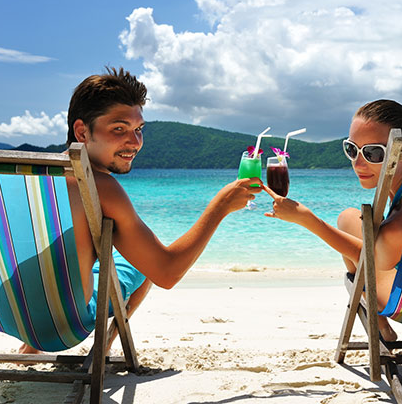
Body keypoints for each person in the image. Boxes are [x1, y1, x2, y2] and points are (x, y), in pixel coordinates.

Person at [20, 67, 261, 354]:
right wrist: (220, 206)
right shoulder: (101, 187)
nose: (134, 143)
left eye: (138, 130)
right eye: (119, 129)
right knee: (142, 262)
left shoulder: (20, 179)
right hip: (63, 325)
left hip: (6, 313)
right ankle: (103, 348)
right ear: (82, 131)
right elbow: (166, 272)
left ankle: (29, 349)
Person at [262, 99, 402, 344]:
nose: (357, 163)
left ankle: (381, 325)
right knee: (349, 217)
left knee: (359, 256)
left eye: (373, 153)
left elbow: (370, 261)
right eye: (352, 149)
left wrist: (307, 219)